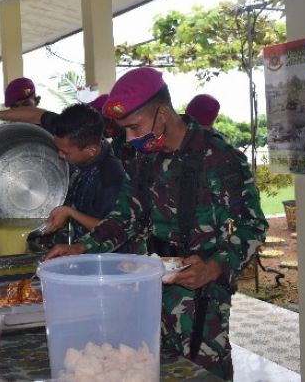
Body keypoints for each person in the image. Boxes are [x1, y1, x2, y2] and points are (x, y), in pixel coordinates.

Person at [45, 67, 268, 380]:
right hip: (147, 294)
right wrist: (82, 248)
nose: (130, 138)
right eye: (125, 130)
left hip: (199, 300)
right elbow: (126, 216)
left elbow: (253, 227)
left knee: (203, 373)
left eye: (135, 127)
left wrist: (214, 267)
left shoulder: (218, 157)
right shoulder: (145, 157)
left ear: (163, 113)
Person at [0, 103, 126, 244]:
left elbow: (115, 230)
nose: (60, 156)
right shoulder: (71, 130)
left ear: (90, 151)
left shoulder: (110, 176)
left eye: (65, 152)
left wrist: (71, 213)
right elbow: (36, 115)